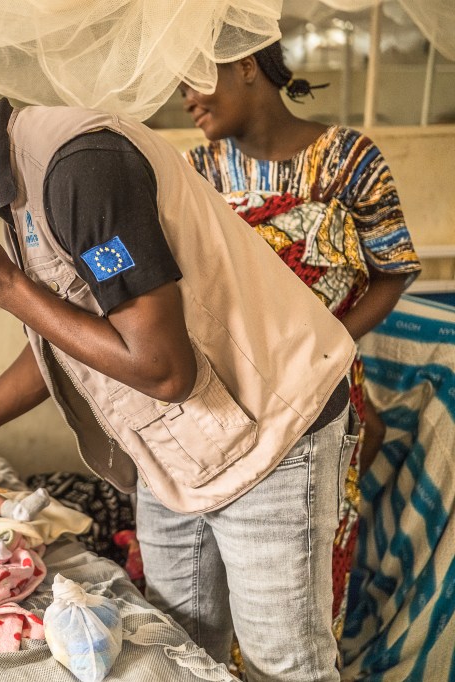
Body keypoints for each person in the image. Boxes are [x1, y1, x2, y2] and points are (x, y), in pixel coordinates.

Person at [0, 66, 358, 682]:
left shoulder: (80, 169)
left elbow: (164, 370)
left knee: (284, 667)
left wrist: (4, 285)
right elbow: (68, 341)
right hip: (180, 446)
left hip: (270, 430)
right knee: (177, 652)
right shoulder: (16, 190)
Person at [179, 41, 422, 640]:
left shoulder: (348, 159)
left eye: (196, 80)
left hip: (322, 383)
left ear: (245, 65)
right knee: (234, 560)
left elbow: (392, 267)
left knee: (309, 562)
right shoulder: (197, 174)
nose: (186, 99)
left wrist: (328, 342)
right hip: (233, 392)